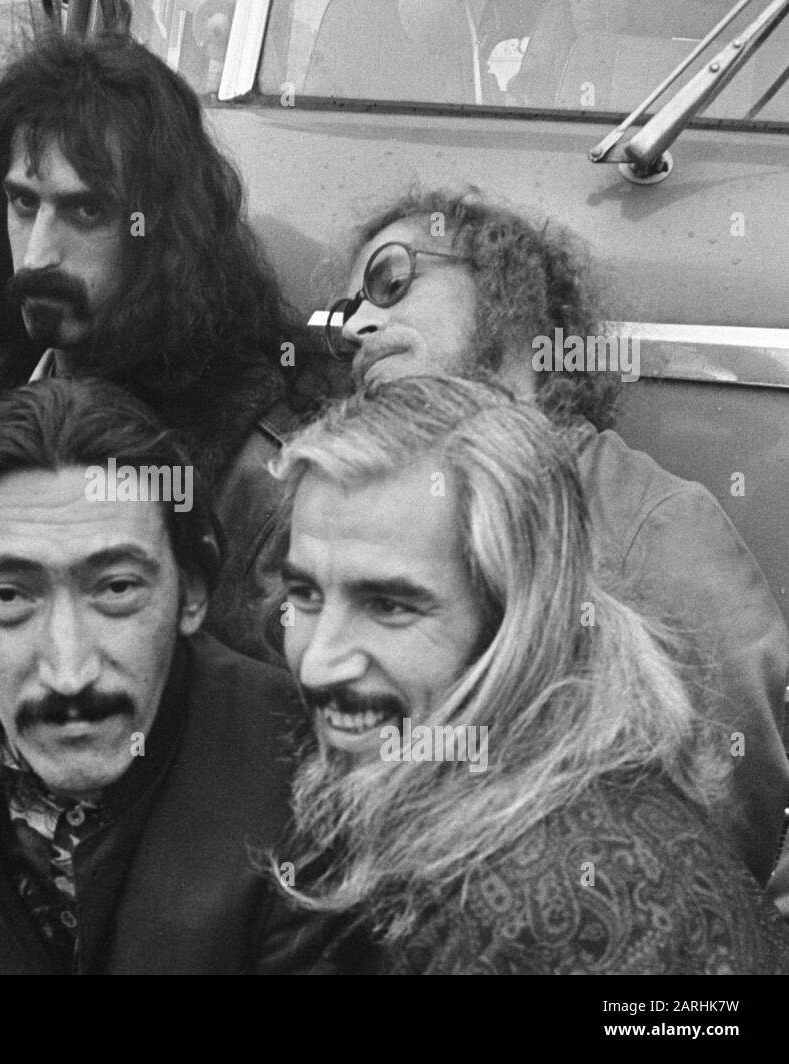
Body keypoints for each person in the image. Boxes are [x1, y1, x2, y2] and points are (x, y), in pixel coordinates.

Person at [323, 189, 789, 887]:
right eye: (344, 312)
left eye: (389, 281)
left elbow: (736, 806)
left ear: (510, 297)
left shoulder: (645, 519)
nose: (357, 324)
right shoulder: (385, 523)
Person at [273, 375, 789, 974]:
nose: (318, 664)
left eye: (388, 606)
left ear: (519, 620)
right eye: (305, 595)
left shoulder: (541, 912)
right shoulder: (504, 781)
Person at [0, 378, 324, 973]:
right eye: (11, 595)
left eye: (117, 589)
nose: (69, 673)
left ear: (192, 587)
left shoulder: (305, 767)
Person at [0, 31, 331, 663]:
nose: (37, 255)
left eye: (85, 212)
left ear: (162, 234)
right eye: (22, 202)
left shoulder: (256, 468)